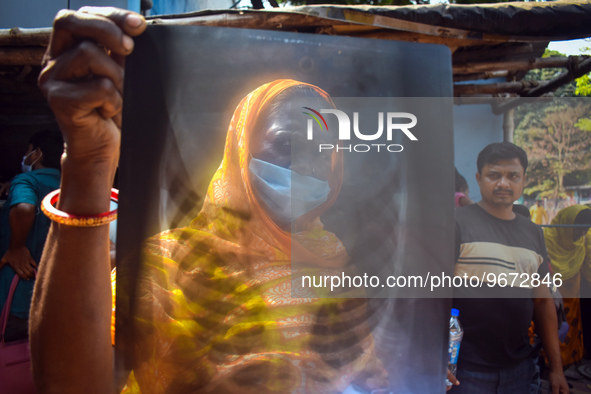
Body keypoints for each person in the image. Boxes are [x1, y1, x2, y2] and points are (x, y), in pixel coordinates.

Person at [29, 8, 388, 393]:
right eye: (287, 145)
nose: (310, 167)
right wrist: (87, 164)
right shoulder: (169, 265)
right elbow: (69, 385)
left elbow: (363, 372)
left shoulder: (330, 256)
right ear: (240, 151)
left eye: (324, 152)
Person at [451, 142, 569, 394]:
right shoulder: (456, 223)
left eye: (512, 176)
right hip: (466, 370)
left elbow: (542, 302)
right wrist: (437, 358)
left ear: (523, 180)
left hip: (521, 368)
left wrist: (556, 369)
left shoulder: (533, 232)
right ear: (479, 178)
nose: (503, 183)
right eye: (494, 175)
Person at [0, 130, 63, 341]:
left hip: (18, 300)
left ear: (37, 153)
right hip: (59, 302)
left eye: (28, 150)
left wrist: (16, 247)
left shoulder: (26, 181)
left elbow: (25, 208)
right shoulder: (73, 188)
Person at [543, 205, 591, 367]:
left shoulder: (579, 245)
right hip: (551, 296)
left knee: (569, 326)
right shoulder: (546, 238)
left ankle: (569, 360)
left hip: (572, 295)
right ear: (568, 223)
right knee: (550, 323)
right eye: (579, 229)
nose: (582, 233)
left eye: (585, 230)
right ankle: (549, 362)